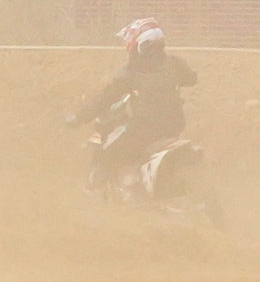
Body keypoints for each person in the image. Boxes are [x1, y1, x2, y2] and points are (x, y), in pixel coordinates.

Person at [75, 17, 200, 194]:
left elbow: (104, 99)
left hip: (144, 128)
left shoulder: (131, 72)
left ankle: (113, 190)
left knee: (110, 152)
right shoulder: (174, 64)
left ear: (138, 45)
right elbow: (191, 79)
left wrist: (78, 117)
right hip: (174, 127)